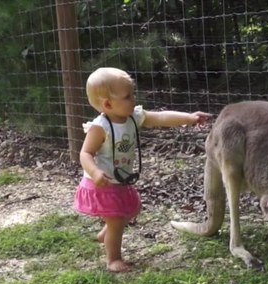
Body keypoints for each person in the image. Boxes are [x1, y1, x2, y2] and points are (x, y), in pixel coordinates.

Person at [74, 67, 210, 272]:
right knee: (117, 218)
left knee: (133, 208)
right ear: (108, 104)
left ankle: (108, 232)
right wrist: (94, 172)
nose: (134, 99)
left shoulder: (133, 117)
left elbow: (161, 118)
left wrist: (189, 118)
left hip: (120, 179)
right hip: (102, 182)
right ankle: (113, 259)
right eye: (128, 96)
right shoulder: (99, 127)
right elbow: (85, 153)